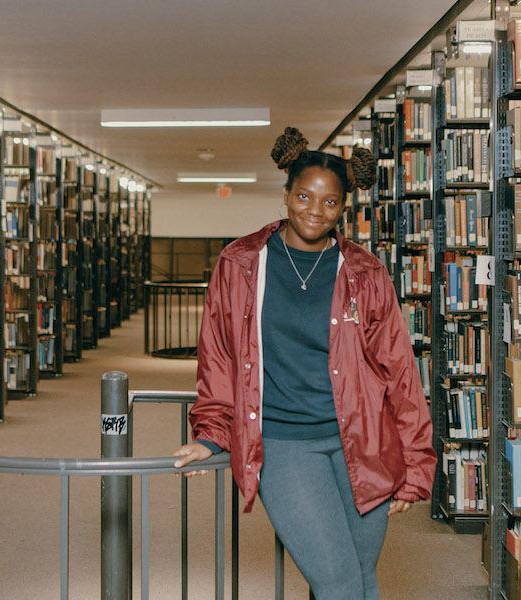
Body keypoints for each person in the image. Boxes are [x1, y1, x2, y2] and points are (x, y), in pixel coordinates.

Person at [171, 127, 434, 600]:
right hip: (285, 442)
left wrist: (416, 464)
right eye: (305, 196)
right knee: (338, 583)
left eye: (330, 202)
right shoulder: (241, 264)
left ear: (343, 207)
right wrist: (212, 434)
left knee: (360, 577)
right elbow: (218, 357)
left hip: (365, 442)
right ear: (286, 195)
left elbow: (400, 372)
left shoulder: (366, 272)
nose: (315, 210)